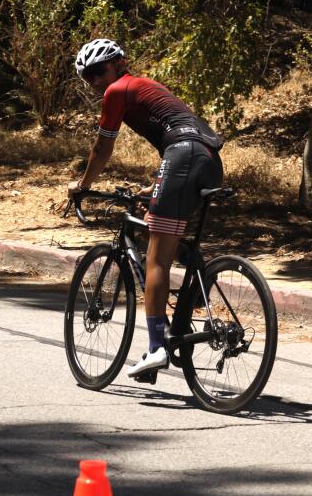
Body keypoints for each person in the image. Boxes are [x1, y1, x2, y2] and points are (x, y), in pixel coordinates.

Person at [67, 38, 223, 381]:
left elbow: (102, 148)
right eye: (87, 76)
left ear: (119, 64)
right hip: (207, 157)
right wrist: (157, 184)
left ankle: (156, 348)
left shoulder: (117, 91)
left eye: (99, 71)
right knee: (169, 237)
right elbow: (181, 134)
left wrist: (83, 186)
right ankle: (191, 297)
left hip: (182, 157)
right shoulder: (146, 86)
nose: (95, 81)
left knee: (156, 259)